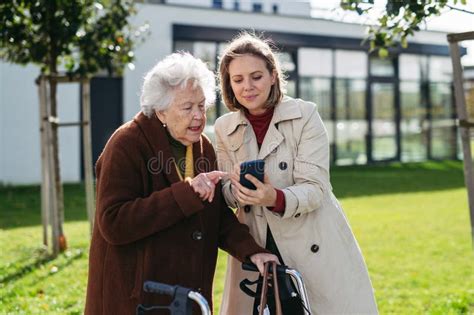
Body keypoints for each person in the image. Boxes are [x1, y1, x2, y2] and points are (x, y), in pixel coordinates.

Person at [84, 52, 278, 315]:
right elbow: (113, 222)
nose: (198, 116)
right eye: (187, 108)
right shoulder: (126, 143)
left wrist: (251, 251)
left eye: (202, 106)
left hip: (186, 297)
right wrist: (185, 193)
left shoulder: (203, 147)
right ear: (161, 111)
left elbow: (216, 216)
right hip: (138, 299)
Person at [214, 33, 378, 314]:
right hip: (257, 248)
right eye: (237, 80)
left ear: (273, 76)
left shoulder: (305, 116)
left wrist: (273, 197)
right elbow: (225, 193)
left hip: (311, 243)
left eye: (256, 76)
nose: (248, 87)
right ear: (228, 84)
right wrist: (236, 190)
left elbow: (316, 188)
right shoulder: (223, 128)